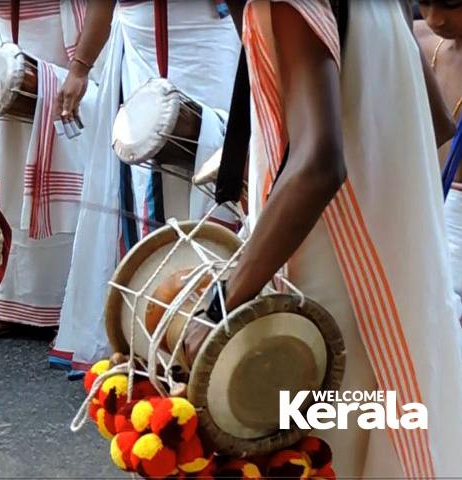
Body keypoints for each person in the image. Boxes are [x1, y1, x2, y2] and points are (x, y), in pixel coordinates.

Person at [186, 0, 462, 476]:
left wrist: (220, 305)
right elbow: (437, 118)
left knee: (328, 455)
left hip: (328, 296)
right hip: (400, 278)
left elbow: (317, 166)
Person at [49, 0, 240, 370]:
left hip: (210, 45)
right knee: (143, 191)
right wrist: (80, 67)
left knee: (219, 185)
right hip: (141, 50)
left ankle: (226, 328)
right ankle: (152, 334)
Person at [0, 0, 96, 339]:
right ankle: (11, 304)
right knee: (9, 170)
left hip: (56, 31)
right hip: (7, 29)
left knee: (61, 161)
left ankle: (64, 307)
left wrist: (79, 69)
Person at [415, 0, 462, 320]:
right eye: (425, 2)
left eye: (452, 5)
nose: (435, 19)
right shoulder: (417, 41)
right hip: (419, 203)